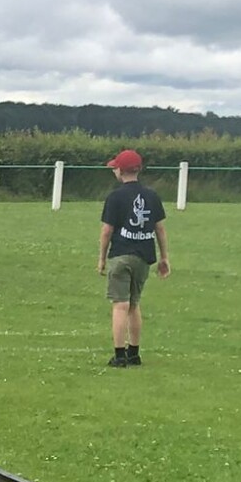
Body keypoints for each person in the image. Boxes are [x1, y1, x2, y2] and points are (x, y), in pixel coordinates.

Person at [98, 149, 171, 366]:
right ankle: (134, 353)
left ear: (120, 171)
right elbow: (160, 229)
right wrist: (164, 257)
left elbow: (106, 231)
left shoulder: (115, 197)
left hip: (120, 255)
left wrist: (102, 258)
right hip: (143, 257)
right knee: (134, 304)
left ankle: (119, 356)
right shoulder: (152, 196)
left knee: (120, 305)